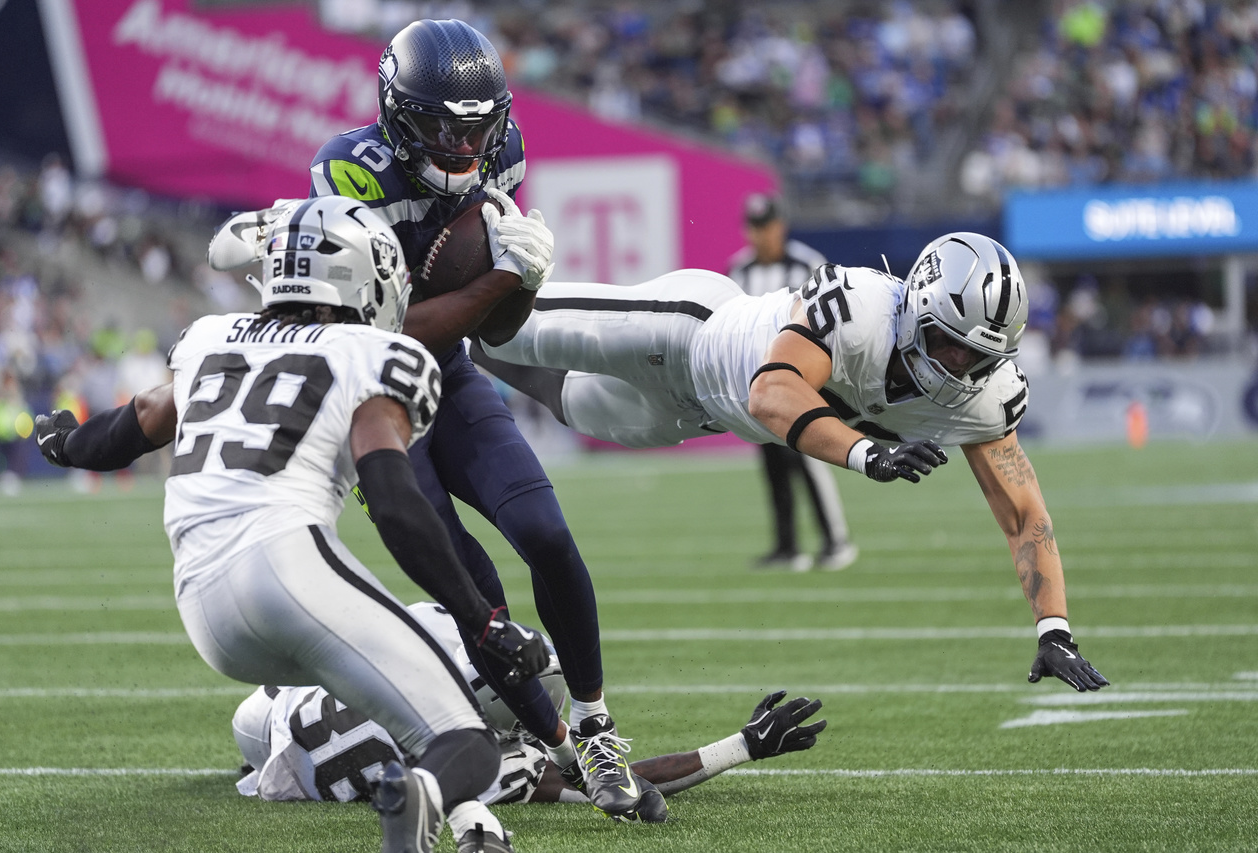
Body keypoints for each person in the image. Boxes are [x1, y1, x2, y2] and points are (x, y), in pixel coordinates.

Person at [33, 197, 553, 853]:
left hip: (204, 609)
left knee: (415, 711)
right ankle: (423, 798)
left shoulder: (213, 338)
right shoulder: (370, 351)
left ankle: (477, 829)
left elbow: (139, 420)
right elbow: (394, 502)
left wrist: (66, 444)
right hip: (286, 569)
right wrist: (483, 621)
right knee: (466, 743)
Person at [473, 232, 1110, 693]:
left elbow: (1024, 514)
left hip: (697, 412)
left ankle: (460, 355)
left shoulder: (985, 398)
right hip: (688, 331)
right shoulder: (862, 309)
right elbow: (772, 392)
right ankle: (434, 276)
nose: (960, 368)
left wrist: (1053, 629)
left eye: (979, 358)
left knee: (571, 403)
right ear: (918, 308)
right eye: (950, 344)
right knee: (514, 323)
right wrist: (867, 454)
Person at [301, 17, 640, 818]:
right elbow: (384, 329)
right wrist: (502, 278)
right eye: (443, 129)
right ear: (397, 114)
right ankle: (557, 742)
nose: (464, 147)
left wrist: (523, 278)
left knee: (546, 532)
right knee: (471, 586)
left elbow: (495, 331)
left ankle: (596, 725)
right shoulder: (348, 172)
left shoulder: (503, 152)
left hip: (449, 373)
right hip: (374, 394)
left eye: (478, 129)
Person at [231, 603, 826, 832]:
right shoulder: (484, 756)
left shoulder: (428, 639)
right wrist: (740, 747)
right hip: (284, 764)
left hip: (272, 709)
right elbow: (615, 783)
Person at [726, 193, 855, 572]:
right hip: (758, 380)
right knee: (773, 464)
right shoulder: (738, 270)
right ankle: (788, 546)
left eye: (766, 226)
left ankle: (836, 540)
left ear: (780, 226)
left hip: (802, 378)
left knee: (809, 458)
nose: (761, 235)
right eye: (754, 227)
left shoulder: (807, 264)